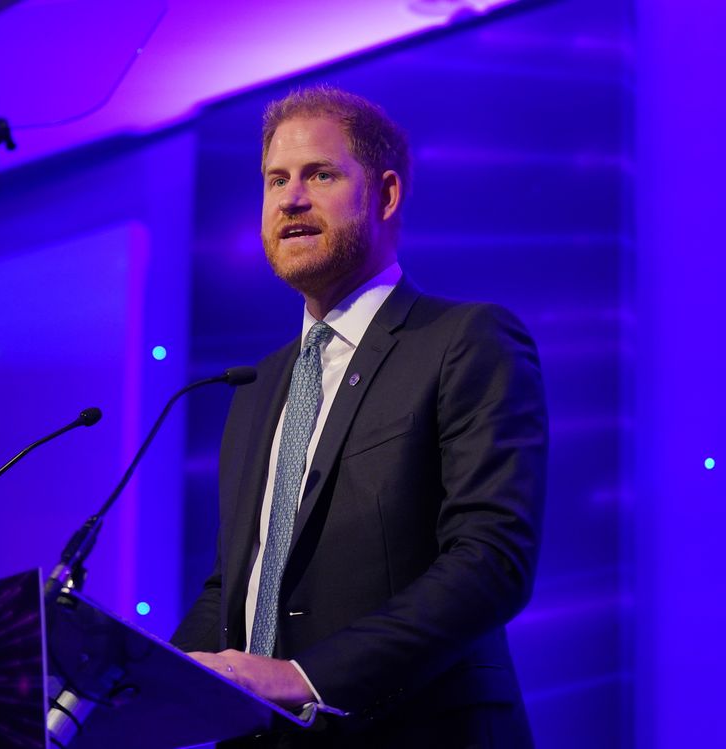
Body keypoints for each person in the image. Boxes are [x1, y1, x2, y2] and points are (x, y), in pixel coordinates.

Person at [172, 86, 547, 747]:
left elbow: (492, 560)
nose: (290, 198)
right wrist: (143, 688)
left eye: (320, 174)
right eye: (274, 180)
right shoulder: (256, 386)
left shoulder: (465, 339)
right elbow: (237, 581)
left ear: (387, 193)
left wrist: (307, 677)